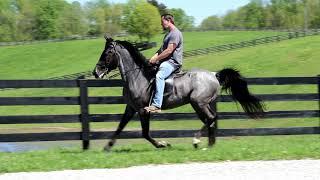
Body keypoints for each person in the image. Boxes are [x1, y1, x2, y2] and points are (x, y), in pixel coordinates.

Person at [144, 13, 184, 113]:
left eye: (163, 22)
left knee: (159, 76)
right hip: (166, 61)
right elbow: (162, 49)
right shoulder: (168, 34)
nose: (161, 24)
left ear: (169, 20)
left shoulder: (175, 33)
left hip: (173, 62)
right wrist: (153, 57)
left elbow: (169, 51)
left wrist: (156, 59)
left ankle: (157, 105)